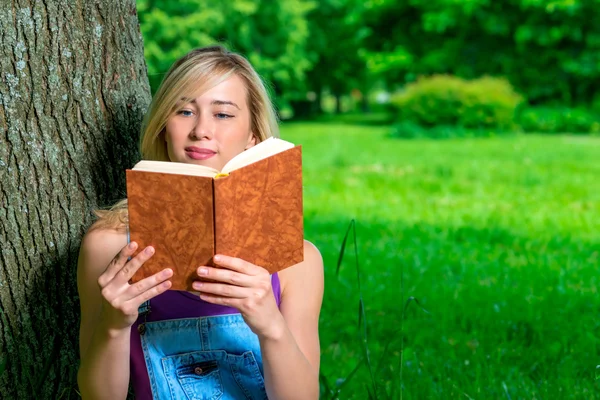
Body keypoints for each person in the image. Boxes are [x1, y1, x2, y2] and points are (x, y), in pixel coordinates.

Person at [76, 45, 324, 400]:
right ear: (164, 127)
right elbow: (100, 396)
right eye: (184, 111)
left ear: (253, 135)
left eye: (223, 114)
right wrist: (114, 326)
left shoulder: (298, 262)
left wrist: (271, 326)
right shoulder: (109, 247)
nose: (201, 130)